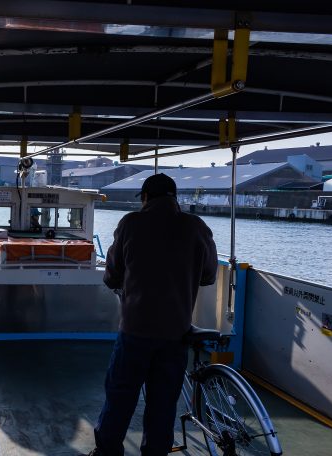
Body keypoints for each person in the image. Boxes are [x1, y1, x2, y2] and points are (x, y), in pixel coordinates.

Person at [89, 173, 218, 456]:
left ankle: (108, 451)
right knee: (163, 403)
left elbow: (111, 275)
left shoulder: (131, 224)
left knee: (120, 395)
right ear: (174, 198)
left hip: (136, 330)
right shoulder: (196, 227)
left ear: (145, 198)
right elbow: (209, 275)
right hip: (176, 333)